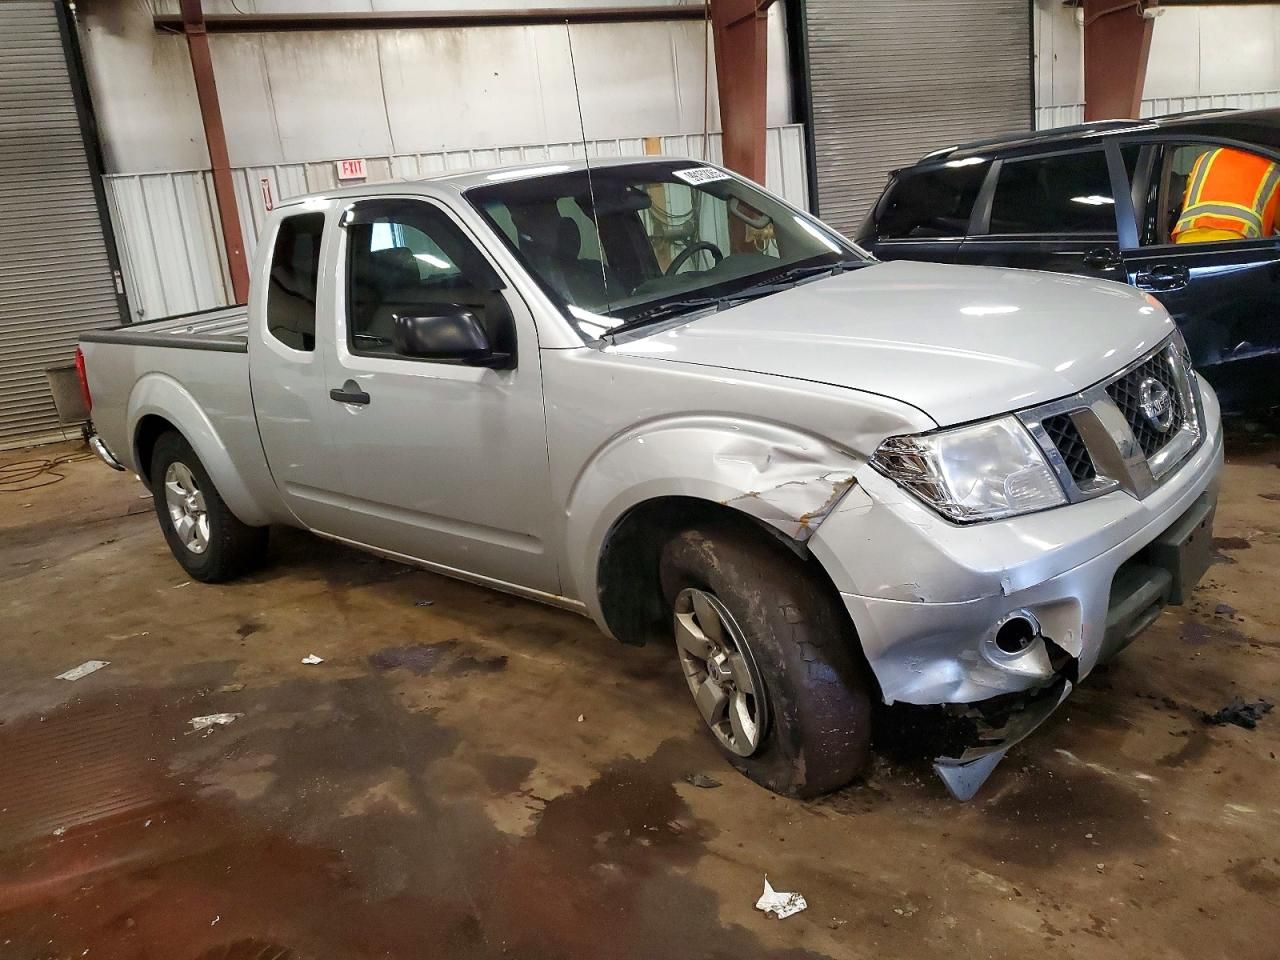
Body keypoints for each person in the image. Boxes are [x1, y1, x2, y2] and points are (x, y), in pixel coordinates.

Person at [1173, 146, 1280, 244]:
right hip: (1237, 244)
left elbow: (1186, 199)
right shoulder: (1274, 167)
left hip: (1186, 243)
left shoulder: (1205, 158)